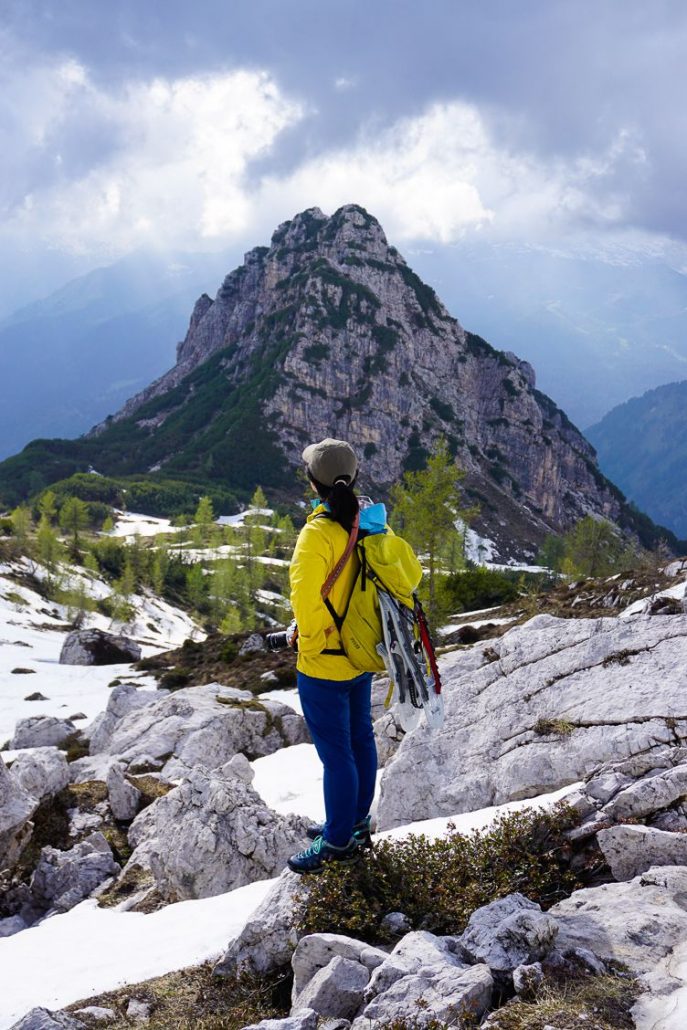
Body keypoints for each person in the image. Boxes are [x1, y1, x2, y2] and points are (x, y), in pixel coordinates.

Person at [286, 437, 381, 875]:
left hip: (324, 662)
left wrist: (305, 643)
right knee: (361, 739)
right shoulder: (372, 522)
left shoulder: (317, 533)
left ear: (313, 481)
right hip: (361, 654)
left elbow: (306, 601)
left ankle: (338, 841)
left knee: (337, 753)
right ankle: (355, 822)